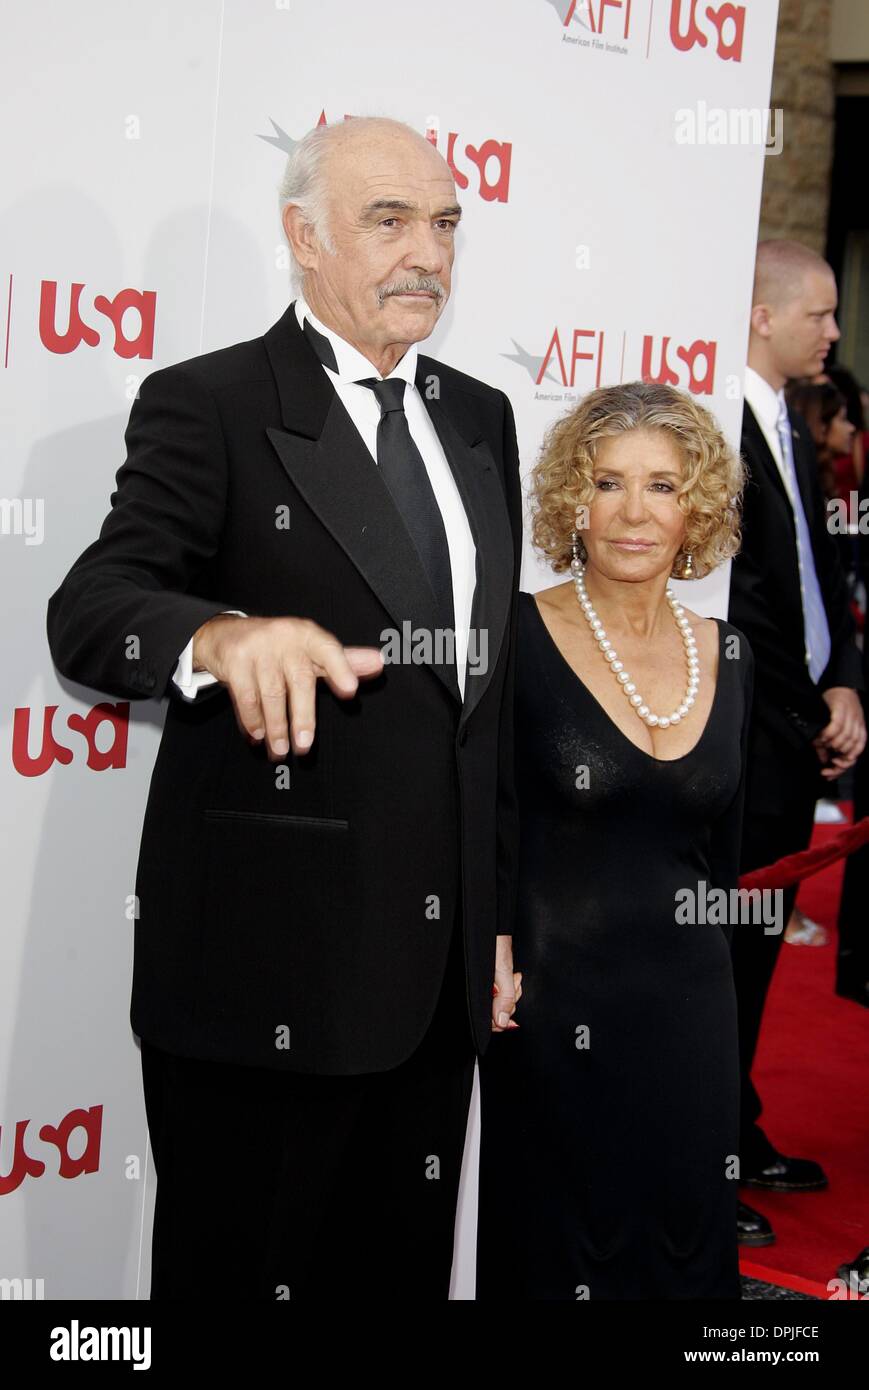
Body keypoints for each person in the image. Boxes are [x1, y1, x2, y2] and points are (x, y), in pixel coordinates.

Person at [46, 116, 523, 1300]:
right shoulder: (209, 401)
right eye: (388, 220)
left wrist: (496, 916)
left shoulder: (480, 418)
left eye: (445, 223)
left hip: (438, 976)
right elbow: (92, 608)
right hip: (271, 968)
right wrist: (212, 634)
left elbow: (481, 708)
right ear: (302, 237)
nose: (427, 253)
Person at [476, 380, 751, 1299]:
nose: (634, 512)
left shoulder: (728, 651)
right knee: (560, 1238)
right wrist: (491, 941)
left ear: (697, 507)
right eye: (607, 483)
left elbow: (726, 854)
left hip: (691, 1004)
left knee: (685, 1228)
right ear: (569, 502)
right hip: (555, 996)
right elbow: (486, 814)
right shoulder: (514, 633)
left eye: (664, 487)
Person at [728, 240, 865, 1245]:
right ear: (759, 317)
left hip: (795, 727)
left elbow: (820, 578)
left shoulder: (791, 418)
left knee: (761, 953)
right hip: (746, 740)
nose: (831, 331)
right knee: (722, 959)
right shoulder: (718, 426)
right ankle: (703, 1160)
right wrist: (809, 709)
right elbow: (744, 607)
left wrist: (845, 682)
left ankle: (735, 1129)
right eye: (815, 313)